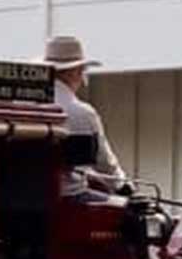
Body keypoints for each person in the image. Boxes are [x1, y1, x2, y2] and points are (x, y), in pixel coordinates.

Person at [44, 35, 128, 201]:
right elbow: (104, 163)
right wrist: (122, 184)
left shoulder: (25, 103)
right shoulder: (81, 112)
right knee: (131, 214)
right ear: (75, 72)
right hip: (67, 196)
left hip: (25, 196)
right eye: (82, 71)